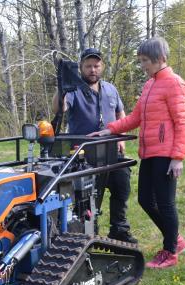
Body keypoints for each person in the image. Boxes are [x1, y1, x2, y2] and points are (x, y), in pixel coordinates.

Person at [88, 37, 185, 269]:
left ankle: (170, 251)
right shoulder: (149, 84)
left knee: (165, 203)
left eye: (145, 61)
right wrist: (109, 130)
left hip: (166, 154)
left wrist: (178, 157)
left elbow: (183, 123)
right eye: (141, 61)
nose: (142, 65)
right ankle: (176, 240)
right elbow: (136, 118)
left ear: (160, 59)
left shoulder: (174, 83)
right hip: (150, 152)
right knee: (145, 199)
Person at [53, 48, 136, 243]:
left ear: (102, 67)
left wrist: (121, 138)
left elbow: (120, 113)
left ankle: (119, 228)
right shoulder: (74, 90)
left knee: (121, 187)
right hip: (84, 152)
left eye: (96, 66)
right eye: (88, 66)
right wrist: (62, 87)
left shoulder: (110, 89)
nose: (92, 70)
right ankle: (89, 231)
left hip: (111, 149)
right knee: (89, 194)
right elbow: (59, 108)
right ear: (81, 67)